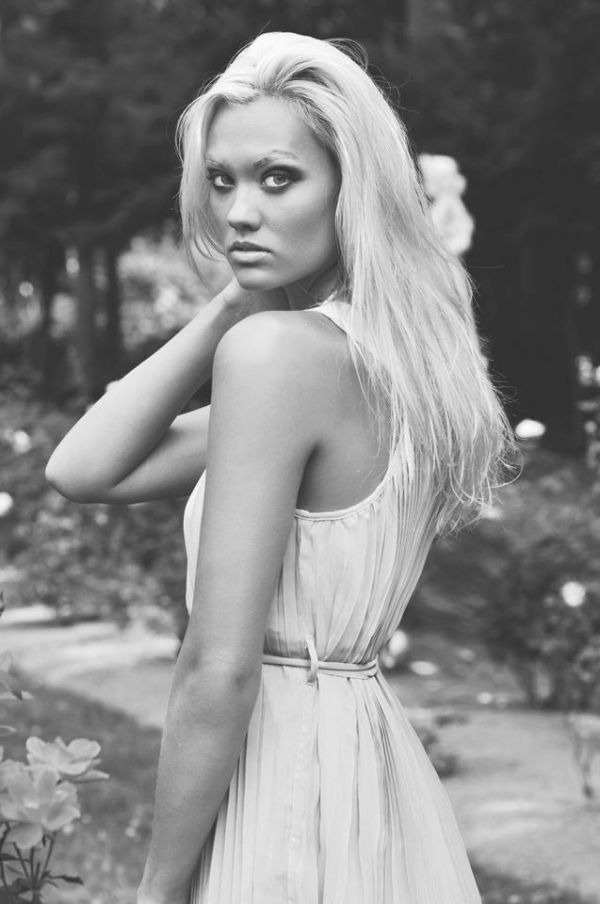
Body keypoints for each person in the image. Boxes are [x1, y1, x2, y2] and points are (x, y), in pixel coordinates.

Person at [45, 31, 518, 904]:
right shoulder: (385, 365)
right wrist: (235, 299)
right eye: (221, 181)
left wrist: (157, 888)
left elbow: (218, 667)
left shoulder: (280, 360)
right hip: (370, 770)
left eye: (277, 178)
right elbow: (85, 467)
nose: (237, 213)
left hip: (279, 776)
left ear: (351, 189)